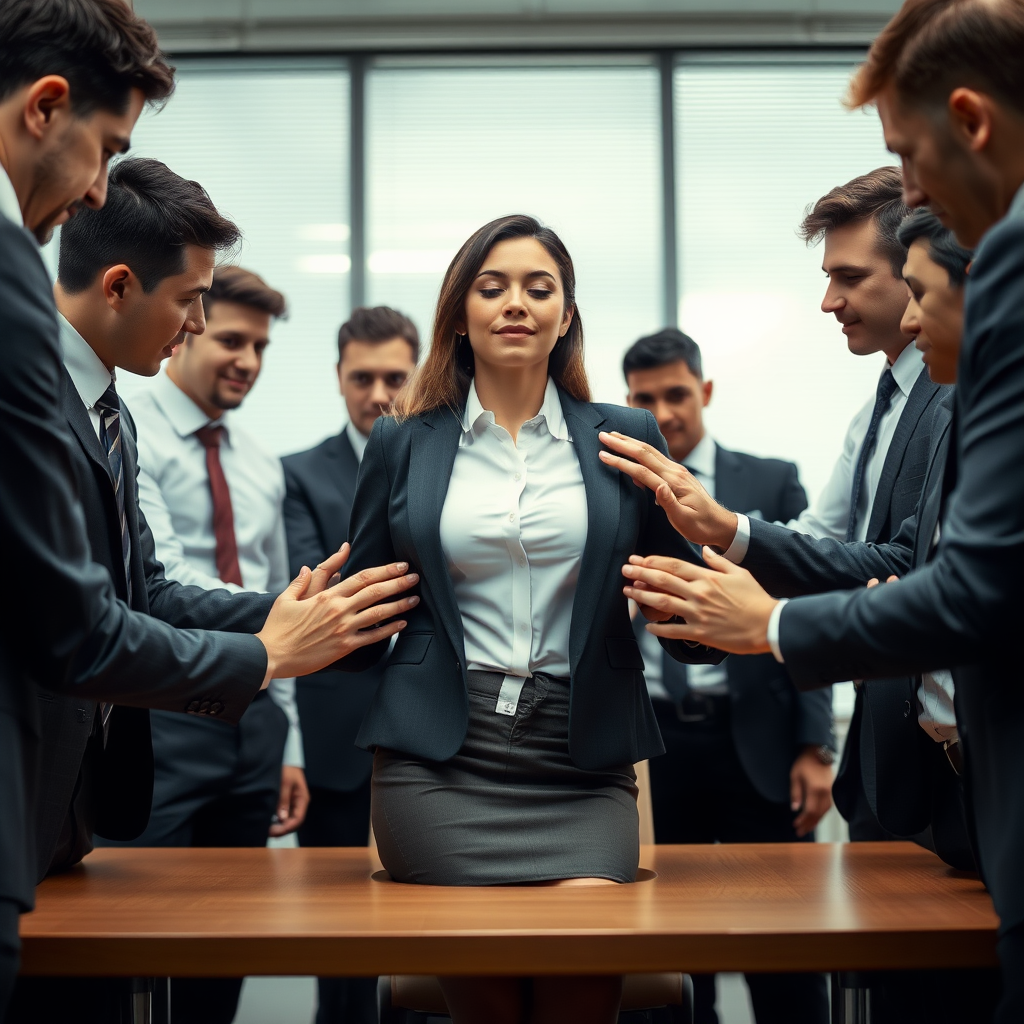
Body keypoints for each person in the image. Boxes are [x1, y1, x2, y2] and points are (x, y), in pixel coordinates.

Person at [602, 1, 1024, 1017]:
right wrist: (734, 539)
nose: (914, 194)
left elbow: (957, 581)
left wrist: (770, 624)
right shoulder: (895, 385)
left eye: (908, 157)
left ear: (969, 121)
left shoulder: (997, 281)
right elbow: (885, 555)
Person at [0, 3, 411, 1016]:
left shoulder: (107, 411)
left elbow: (147, 590)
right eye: (190, 306)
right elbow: (82, 627)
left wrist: (297, 614)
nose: (198, 331)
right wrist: (271, 652)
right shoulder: (26, 320)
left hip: (66, 808)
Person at [336, 214, 723, 1024]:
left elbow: (675, 597)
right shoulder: (402, 441)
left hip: (580, 763)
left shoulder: (625, 435)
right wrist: (293, 640)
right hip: (439, 759)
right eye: (493, 286)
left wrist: (707, 614)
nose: (516, 303)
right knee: (488, 1002)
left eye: (538, 288)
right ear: (461, 313)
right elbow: (367, 600)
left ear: (566, 314)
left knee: (585, 986)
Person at [89, 258, 309, 1024]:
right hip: (167, 711)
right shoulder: (125, 421)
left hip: (257, 719)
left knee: (231, 939)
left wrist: (289, 748)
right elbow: (164, 580)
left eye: (261, 349)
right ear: (188, 331)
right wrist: (295, 617)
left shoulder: (260, 462)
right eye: (233, 341)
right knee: (139, 938)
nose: (247, 362)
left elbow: (280, 602)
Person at [622, 328, 831, 1024]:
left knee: (782, 949)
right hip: (654, 747)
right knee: (673, 955)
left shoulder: (768, 480)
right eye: (646, 398)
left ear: (705, 391)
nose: (667, 411)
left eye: (678, 393)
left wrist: (813, 744)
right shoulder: (613, 488)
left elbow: (804, 609)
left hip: (759, 741)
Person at [283, 306, 419, 1024]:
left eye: (394, 377)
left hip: (440, 732)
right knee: (342, 950)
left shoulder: (452, 456)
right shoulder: (299, 473)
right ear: (338, 377)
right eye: (361, 377)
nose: (377, 393)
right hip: (339, 731)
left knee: (432, 938)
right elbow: (318, 593)